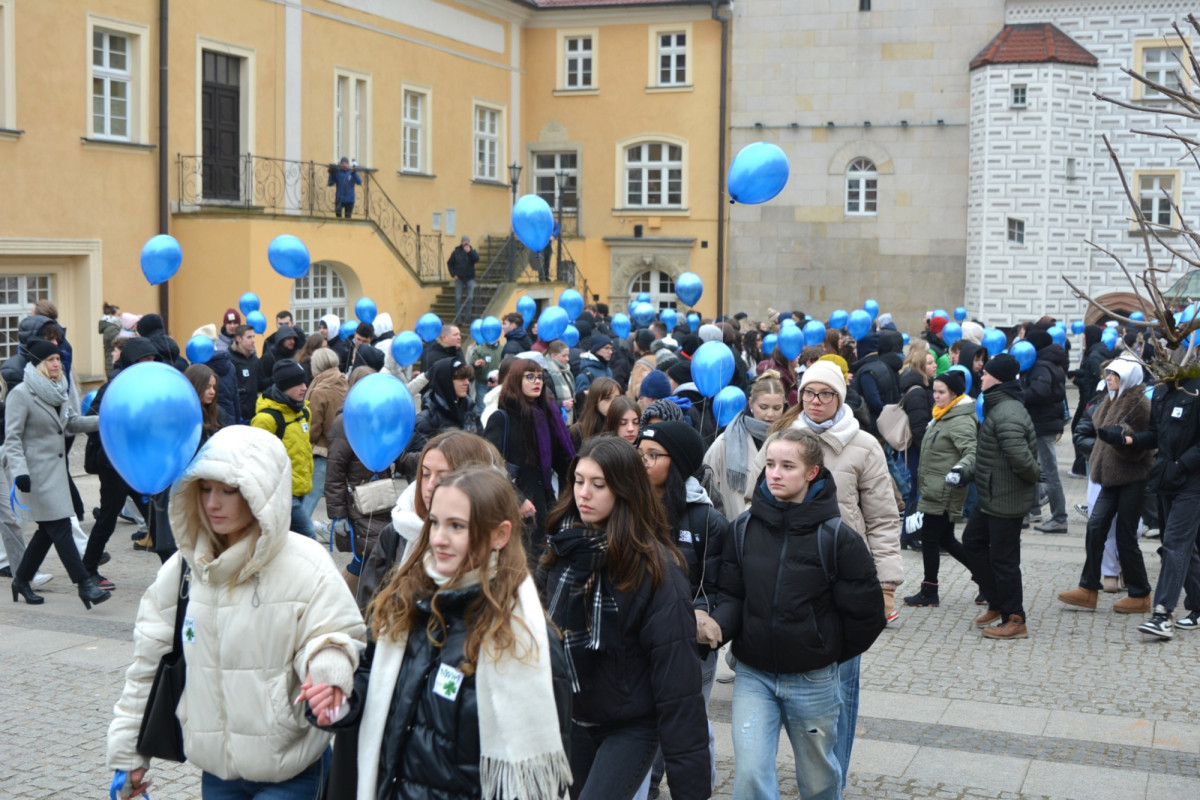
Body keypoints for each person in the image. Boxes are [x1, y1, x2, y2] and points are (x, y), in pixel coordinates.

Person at [106, 425, 366, 800]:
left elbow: (334, 634)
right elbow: (146, 668)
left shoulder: (307, 563)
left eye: (229, 490)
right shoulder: (183, 570)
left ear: (262, 492)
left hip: (294, 771)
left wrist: (327, 670)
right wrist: (129, 754)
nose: (213, 503)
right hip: (218, 774)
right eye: (206, 489)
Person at [302, 466, 572, 800]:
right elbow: (378, 681)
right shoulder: (409, 603)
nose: (438, 538)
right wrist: (341, 698)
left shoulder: (526, 637)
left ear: (500, 535)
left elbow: (537, 776)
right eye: (434, 522)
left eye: (457, 526)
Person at [713, 428, 885, 800]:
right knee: (751, 774)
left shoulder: (837, 537)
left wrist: (824, 651)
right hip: (753, 675)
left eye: (787, 466)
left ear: (811, 473)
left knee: (819, 779)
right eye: (770, 464)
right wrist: (715, 630)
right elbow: (731, 594)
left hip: (813, 680)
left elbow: (867, 615)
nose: (774, 473)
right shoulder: (742, 528)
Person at [755, 358, 903, 783]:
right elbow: (757, 503)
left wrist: (886, 583)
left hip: (843, 578)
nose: (816, 402)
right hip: (788, 578)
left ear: (840, 398)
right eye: (808, 393)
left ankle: (831, 782)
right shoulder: (782, 439)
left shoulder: (863, 444)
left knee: (841, 690)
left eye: (825, 394)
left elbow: (882, 518)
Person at [541, 436, 711, 800]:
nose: (584, 493)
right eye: (579, 480)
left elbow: (679, 685)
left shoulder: (656, 569)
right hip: (572, 715)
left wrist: (691, 788)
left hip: (630, 725)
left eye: (598, 485)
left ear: (624, 489)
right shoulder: (561, 548)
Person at [634, 421, 727, 799]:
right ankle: (648, 786)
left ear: (678, 463)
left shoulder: (706, 519)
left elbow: (719, 587)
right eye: (638, 454)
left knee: (687, 724)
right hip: (636, 641)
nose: (641, 463)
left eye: (652, 456)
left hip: (690, 645)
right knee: (641, 724)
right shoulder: (623, 507)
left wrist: (700, 617)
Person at [5, 338, 105, 607]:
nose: (56, 364)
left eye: (58, 359)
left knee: (47, 532)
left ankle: (21, 580)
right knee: (60, 528)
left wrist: (104, 420)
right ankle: (85, 585)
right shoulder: (22, 394)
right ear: (38, 364)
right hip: (34, 476)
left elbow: (72, 423)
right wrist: (19, 473)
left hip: (57, 474)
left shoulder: (58, 390)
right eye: (50, 360)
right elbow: (12, 439)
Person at [358, 431, 506, 610]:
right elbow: (368, 609)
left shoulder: (494, 542)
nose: (429, 486)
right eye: (425, 474)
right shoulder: (397, 531)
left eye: (443, 477)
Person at [1058, 357, 1153, 614]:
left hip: (1132, 478)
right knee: (1096, 526)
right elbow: (1096, 433)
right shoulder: (1111, 399)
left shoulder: (1140, 404)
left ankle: (1140, 592)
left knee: (1125, 535)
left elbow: (1146, 445)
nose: (1108, 378)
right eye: (1108, 374)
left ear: (1127, 378)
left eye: (1114, 374)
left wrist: (1122, 440)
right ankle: (1088, 587)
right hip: (1109, 478)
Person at [961, 354, 1040, 640]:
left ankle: (1015, 618)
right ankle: (996, 601)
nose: (980, 376)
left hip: (1006, 498)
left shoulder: (1007, 411)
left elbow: (1021, 457)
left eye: (986, 373)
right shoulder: (998, 406)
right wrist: (966, 473)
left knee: (1005, 560)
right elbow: (989, 455)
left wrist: (1035, 477)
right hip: (992, 495)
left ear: (999, 379)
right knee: (972, 542)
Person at [1123, 368, 1200, 638]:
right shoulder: (1161, 391)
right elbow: (1156, 433)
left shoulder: (1196, 388)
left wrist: (1182, 465)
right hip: (1167, 479)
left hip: (1193, 483)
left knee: (1176, 544)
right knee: (1181, 546)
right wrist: (1130, 439)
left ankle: (1162, 614)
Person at [485, 357, 575, 566]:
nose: (537, 382)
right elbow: (489, 466)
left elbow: (562, 459)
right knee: (521, 566)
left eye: (540, 377)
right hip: (516, 505)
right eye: (530, 377)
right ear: (516, 380)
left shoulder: (545, 414)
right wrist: (518, 499)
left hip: (544, 500)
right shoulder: (502, 417)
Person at [903, 369, 978, 608]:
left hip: (945, 489)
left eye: (941, 392)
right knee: (946, 539)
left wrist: (958, 471)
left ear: (954, 394)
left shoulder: (959, 419)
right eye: (934, 391)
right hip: (935, 488)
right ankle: (987, 579)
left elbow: (972, 452)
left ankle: (929, 591)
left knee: (930, 538)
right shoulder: (943, 415)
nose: (935, 396)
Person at [324, 366, 395, 597]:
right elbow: (334, 472)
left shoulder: (380, 417)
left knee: (374, 556)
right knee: (367, 556)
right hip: (358, 503)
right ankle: (338, 601)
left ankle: (356, 603)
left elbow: (398, 454)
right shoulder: (344, 423)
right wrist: (338, 515)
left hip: (382, 500)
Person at [703, 370, 787, 517]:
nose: (770, 414)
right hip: (735, 527)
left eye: (777, 408)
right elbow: (707, 487)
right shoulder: (725, 442)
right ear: (751, 403)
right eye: (764, 407)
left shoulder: (793, 441)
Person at [251, 358, 316, 539]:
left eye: (305, 382)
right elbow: (254, 459)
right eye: (297, 384)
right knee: (309, 538)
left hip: (300, 488)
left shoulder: (304, 412)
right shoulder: (266, 419)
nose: (304, 387)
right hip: (281, 493)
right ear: (283, 386)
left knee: (286, 541)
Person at [1021, 329, 1069, 533]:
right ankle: (1032, 510)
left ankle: (1059, 517)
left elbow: (1039, 392)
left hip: (1041, 424)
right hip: (1041, 422)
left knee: (1049, 472)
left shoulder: (1041, 365)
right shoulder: (1050, 362)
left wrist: (1018, 394)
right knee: (1032, 467)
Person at [897, 344, 936, 544]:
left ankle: (908, 535)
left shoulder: (922, 387)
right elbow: (919, 426)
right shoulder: (918, 391)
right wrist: (928, 453)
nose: (935, 366)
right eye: (929, 363)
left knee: (916, 491)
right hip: (919, 449)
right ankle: (913, 534)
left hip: (918, 448)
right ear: (921, 366)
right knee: (918, 491)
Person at [302, 348, 347, 519]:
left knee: (309, 500)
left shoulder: (319, 391)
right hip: (344, 450)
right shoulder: (344, 383)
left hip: (323, 451)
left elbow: (312, 430)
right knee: (340, 499)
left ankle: (299, 534)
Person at [410, 357, 480, 454]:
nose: (467, 382)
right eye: (461, 378)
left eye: (467, 378)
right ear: (445, 382)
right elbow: (419, 459)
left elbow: (482, 443)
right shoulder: (426, 419)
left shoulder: (471, 410)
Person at [1070, 325, 1112, 476]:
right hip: (1089, 398)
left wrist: (1078, 381)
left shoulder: (1094, 354)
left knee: (1080, 429)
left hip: (1090, 400)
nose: (1082, 338)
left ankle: (1082, 467)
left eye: (1084, 335)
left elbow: (1096, 378)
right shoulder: (1096, 351)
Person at [569, 376, 621, 450]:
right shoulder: (577, 432)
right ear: (595, 401)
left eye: (617, 398)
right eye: (607, 398)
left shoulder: (623, 426)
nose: (613, 403)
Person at [228, 324, 266, 425]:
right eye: (249, 337)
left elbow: (260, 383)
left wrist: (274, 379)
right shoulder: (230, 359)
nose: (253, 340)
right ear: (238, 339)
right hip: (238, 416)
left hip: (254, 414)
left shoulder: (255, 360)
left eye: (254, 337)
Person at [259, 323, 302, 389]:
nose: (292, 341)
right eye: (289, 338)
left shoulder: (297, 355)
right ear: (281, 339)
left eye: (293, 338)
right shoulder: (268, 357)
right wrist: (278, 377)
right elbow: (260, 383)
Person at [471, 331, 505, 415]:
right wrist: (476, 364)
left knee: (496, 406)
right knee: (482, 407)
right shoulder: (479, 349)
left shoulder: (503, 349)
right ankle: (482, 426)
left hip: (497, 383)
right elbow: (471, 366)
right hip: (482, 383)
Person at [447, 235, 480, 319]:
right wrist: (453, 274)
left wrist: (469, 252)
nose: (465, 242)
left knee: (470, 297)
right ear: (461, 242)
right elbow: (450, 263)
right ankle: (458, 318)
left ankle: (467, 317)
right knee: (458, 298)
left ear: (469, 242)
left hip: (470, 277)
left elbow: (476, 259)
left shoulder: (472, 251)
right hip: (459, 278)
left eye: (467, 241)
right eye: (464, 241)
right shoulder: (456, 252)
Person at [544, 340, 577, 423]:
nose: (567, 359)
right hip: (556, 419)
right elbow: (546, 400)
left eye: (568, 355)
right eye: (564, 356)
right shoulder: (546, 373)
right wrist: (561, 404)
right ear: (553, 356)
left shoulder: (565, 370)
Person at [99, 302, 122, 377]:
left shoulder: (113, 328)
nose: (121, 317)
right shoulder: (112, 329)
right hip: (113, 366)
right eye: (118, 315)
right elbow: (121, 343)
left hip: (112, 366)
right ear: (111, 316)